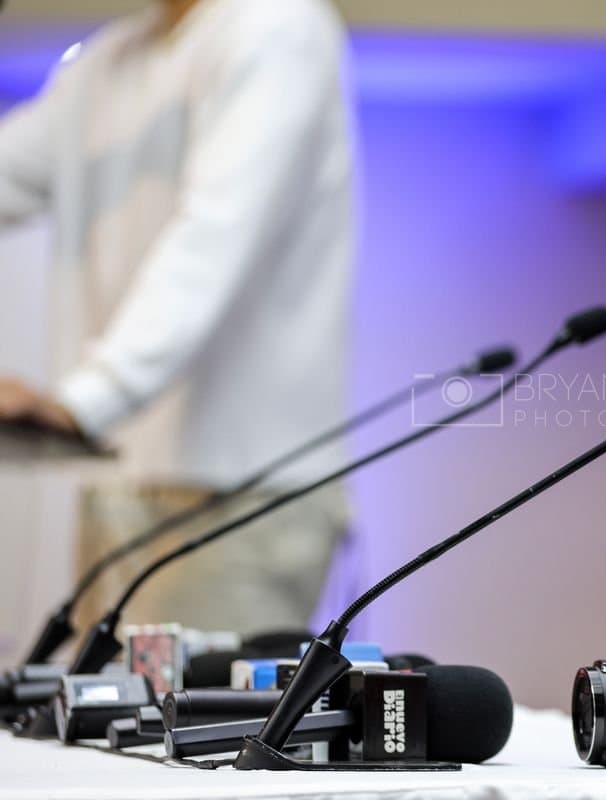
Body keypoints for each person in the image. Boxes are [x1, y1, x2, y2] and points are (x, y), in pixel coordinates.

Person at [0, 0, 354, 633]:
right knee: (99, 725)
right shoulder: (109, 60)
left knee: (210, 730)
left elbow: (215, 236)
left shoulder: (277, 26)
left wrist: (86, 401)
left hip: (240, 493)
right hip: (123, 474)